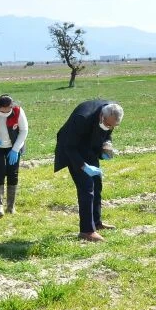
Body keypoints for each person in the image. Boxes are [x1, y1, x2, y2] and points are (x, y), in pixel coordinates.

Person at [54, 100, 123, 242]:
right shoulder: (82, 117)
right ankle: (86, 231)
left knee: (97, 184)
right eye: (108, 124)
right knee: (86, 187)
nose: (110, 127)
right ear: (101, 117)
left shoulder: (110, 112)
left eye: (113, 125)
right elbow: (69, 146)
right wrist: (83, 166)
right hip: (73, 150)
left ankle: (96, 223)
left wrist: (107, 144)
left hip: (89, 149)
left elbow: (107, 131)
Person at [0, 94, 29, 217]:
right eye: (3, 111)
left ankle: (11, 206)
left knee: (13, 172)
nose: (6, 112)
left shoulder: (18, 111)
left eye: (9, 110)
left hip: (13, 147)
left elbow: (24, 131)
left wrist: (15, 149)